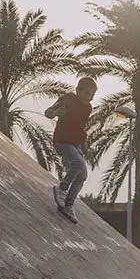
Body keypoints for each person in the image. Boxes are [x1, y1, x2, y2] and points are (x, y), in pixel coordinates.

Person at [45, 77, 98, 224]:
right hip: (62, 142)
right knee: (78, 164)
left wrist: (84, 142)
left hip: (75, 144)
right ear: (78, 90)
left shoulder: (88, 108)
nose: (89, 97)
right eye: (87, 93)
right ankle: (62, 189)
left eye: (92, 94)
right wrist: (55, 112)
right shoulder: (68, 99)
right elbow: (48, 112)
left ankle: (67, 205)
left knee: (82, 175)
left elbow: (79, 126)